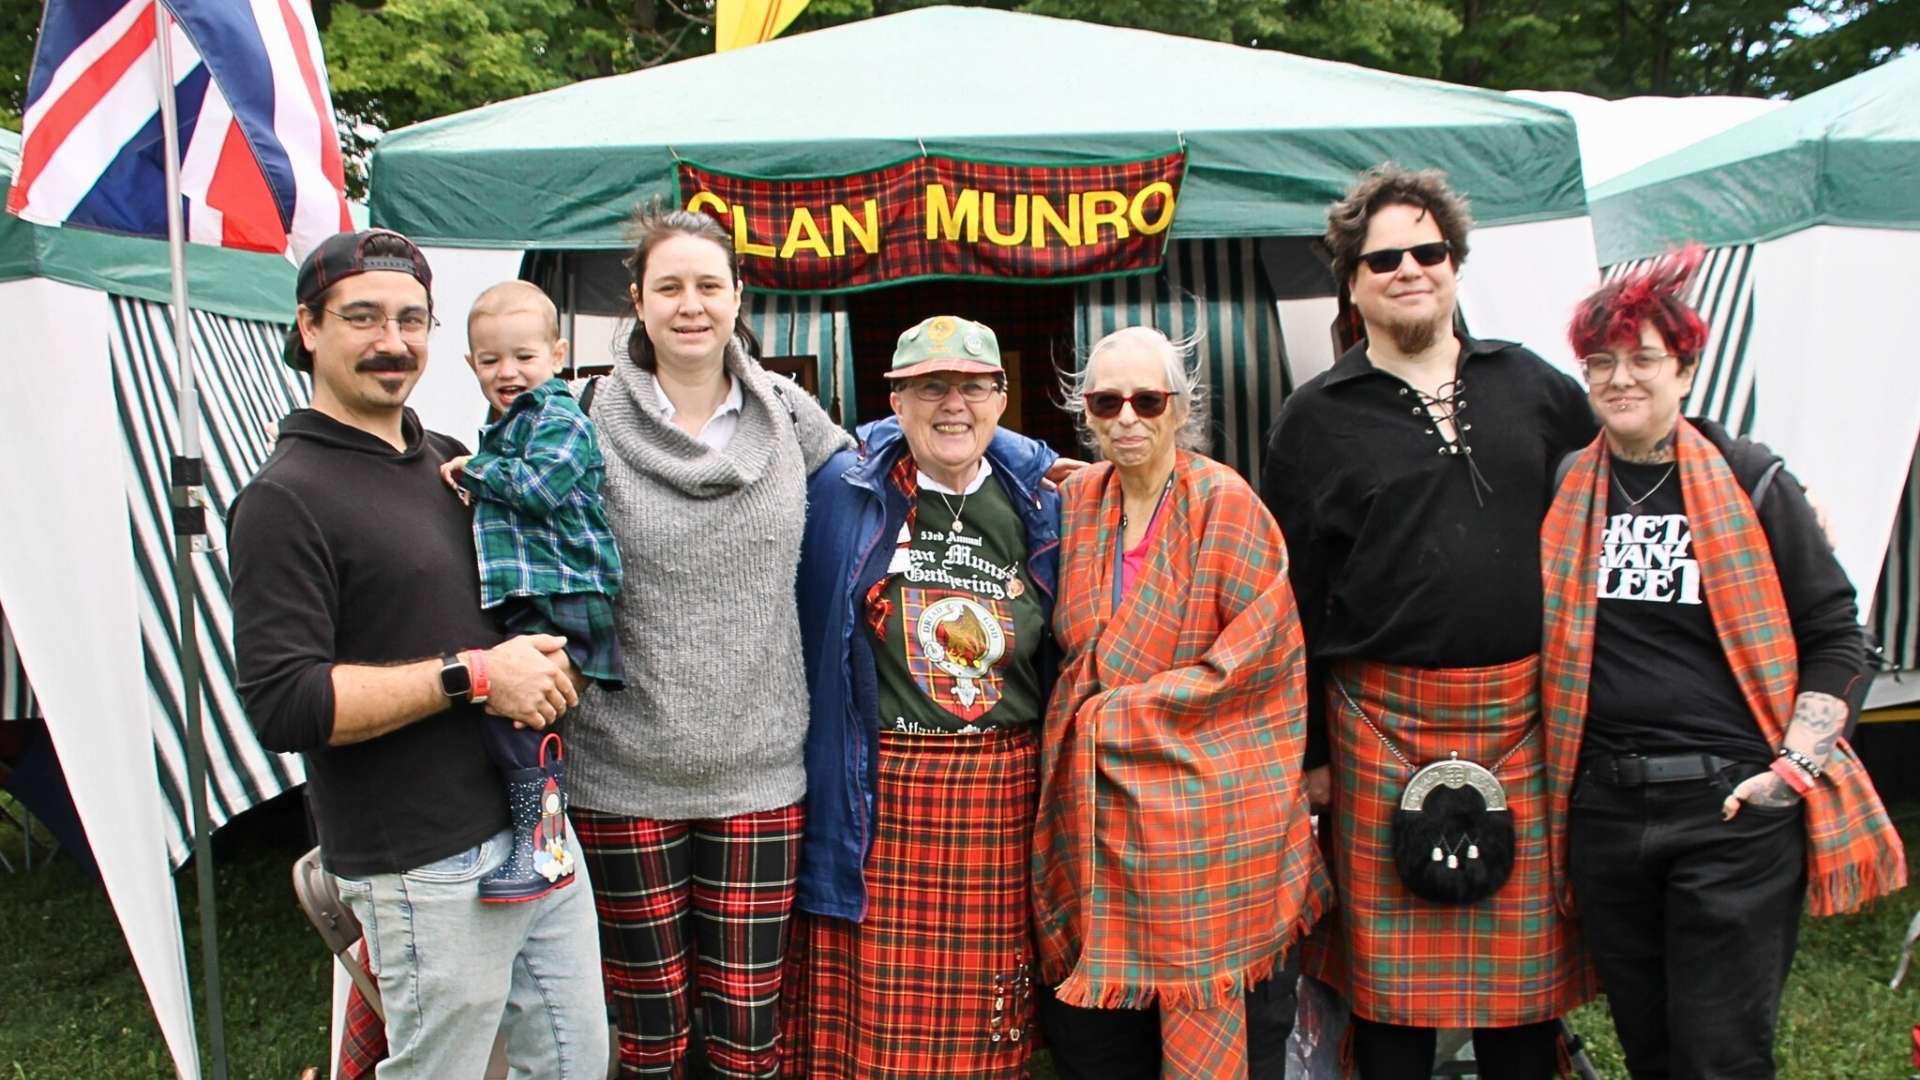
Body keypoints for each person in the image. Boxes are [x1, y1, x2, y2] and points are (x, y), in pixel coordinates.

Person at [231, 229, 608, 1077]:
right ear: (309, 328)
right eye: (362, 317)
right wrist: (477, 674)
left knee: (579, 1060)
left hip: (534, 828)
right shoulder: (284, 499)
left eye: (411, 319)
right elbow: (285, 703)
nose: (392, 341)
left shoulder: (448, 459)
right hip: (421, 863)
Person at [1260, 165, 1596, 1078]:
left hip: (1524, 719)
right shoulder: (1313, 419)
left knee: (1524, 1011)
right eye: (1383, 259)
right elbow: (1293, 606)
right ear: (1352, 281)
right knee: (1392, 1009)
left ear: (1455, 263)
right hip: (1376, 725)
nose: (1409, 269)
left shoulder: (1533, 386)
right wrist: (1311, 760)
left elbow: (1622, 481)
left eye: (1428, 251)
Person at [1539, 247, 1906, 1079]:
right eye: (1602, 361)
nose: (1620, 378)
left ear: (1686, 371)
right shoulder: (1569, 487)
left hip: (1729, 812)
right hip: (1603, 810)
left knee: (1719, 1060)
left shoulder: (1753, 481)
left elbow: (1837, 633)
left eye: (1643, 359)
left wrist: (1793, 771)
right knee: (1652, 1051)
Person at [562, 205, 855, 1079]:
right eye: (669, 287)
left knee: (748, 1028)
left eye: (708, 285)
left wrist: (1035, 465)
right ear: (638, 303)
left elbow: (882, 479)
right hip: (621, 771)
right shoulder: (581, 419)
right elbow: (514, 503)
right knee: (649, 1032)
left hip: (759, 771)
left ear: (738, 296)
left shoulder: (791, 415)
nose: (691, 305)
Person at [1035, 326, 1328, 1080]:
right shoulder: (1076, 504)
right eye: (1107, 401)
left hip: (1211, 843)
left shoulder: (1226, 504)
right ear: (1087, 413)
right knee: (1100, 1050)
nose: (1127, 416)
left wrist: (1115, 716)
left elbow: (1258, 671)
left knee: (1229, 1035)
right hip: (1100, 835)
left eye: (1147, 399)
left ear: (1180, 407)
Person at [781, 315, 1062, 1078]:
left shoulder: (1042, 503)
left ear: (1002, 398)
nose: (954, 405)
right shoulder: (842, 495)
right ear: (895, 402)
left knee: (981, 1035)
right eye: (931, 387)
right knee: (871, 1036)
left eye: (973, 386)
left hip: (1000, 791)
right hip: (881, 791)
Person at [435, 280, 625, 903]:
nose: (507, 371)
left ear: (558, 354)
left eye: (524, 357)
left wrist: (474, 469)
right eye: (490, 360)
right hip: (538, 596)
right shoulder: (505, 427)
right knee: (508, 721)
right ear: (470, 365)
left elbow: (541, 487)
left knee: (519, 719)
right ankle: (536, 840)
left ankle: (544, 849)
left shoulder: (560, 417)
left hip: (567, 597)